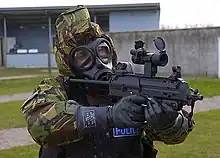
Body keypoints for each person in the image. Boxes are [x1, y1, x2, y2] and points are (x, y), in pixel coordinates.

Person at [20, 5, 195, 158]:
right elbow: (39, 124)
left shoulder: (129, 85)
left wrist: (167, 122)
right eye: (83, 56)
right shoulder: (58, 88)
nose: (97, 60)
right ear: (68, 64)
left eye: (102, 50)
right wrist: (109, 116)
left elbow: (175, 137)